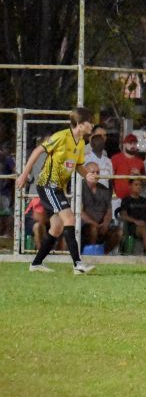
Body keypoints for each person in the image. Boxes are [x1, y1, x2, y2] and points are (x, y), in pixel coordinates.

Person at [15, 107, 96, 274]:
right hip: (47, 185)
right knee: (69, 218)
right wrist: (24, 174)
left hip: (58, 188)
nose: (92, 125)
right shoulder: (61, 136)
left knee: (57, 227)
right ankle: (77, 264)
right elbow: (38, 150)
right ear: (80, 124)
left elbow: (78, 166)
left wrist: (87, 175)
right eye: (90, 122)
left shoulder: (81, 143)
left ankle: (36, 263)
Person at [80, 162, 120, 252]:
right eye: (93, 172)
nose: (96, 175)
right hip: (84, 225)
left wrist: (105, 223)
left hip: (101, 224)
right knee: (93, 230)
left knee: (118, 232)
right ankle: (91, 254)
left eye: (97, 172)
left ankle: (103, 255)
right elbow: (79, 212)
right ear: (85, 172)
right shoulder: (79, 188)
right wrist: (95, 224)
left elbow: (109, 210)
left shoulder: (104, 190)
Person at [110, 133, 145, 201]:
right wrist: (113, 195)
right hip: (118, 198)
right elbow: (109, 179)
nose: (132, 146)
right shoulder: (115, 159)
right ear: (125, 144)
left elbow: (145, 182)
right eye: (130, 143)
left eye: (134, 143)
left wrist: (139, 175)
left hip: (134, 199)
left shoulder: (140, 161)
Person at [83, 125, 113, 189]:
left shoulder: (104, 153)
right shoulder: (83, 152)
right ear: (91, 136)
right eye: (99, 135)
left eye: (104, 135)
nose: (102, 138)